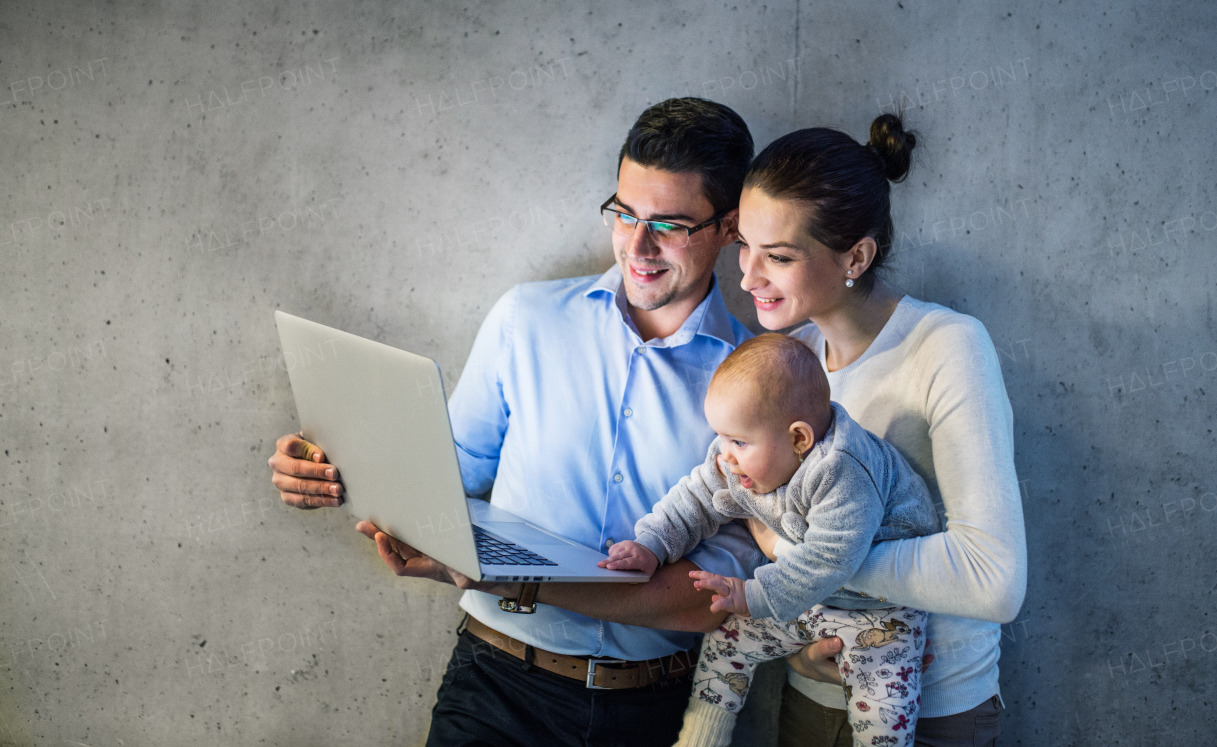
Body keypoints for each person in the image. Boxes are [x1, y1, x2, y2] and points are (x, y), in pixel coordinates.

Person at [267, 97, 781, 747]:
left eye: (670, 224)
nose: (638, 246)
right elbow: (444, 482)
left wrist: (515, 579)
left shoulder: (762, 383)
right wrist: (330, 466)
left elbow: (709, 598)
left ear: (730, 227)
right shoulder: (526, 320)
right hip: (494, 690)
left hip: (657, 713)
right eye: (623, 214)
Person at [734, 116, 1027, 746]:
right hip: (811, 698)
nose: (747, 277)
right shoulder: (790, 361)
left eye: (779, 256)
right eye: (744, 246)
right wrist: (798, 649)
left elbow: (992, 578)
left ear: (856, 256)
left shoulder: (946, 347)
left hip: (931, 710)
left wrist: (793, 559)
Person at [600, 333, 940, 747]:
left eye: (739, 442)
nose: (725, 455)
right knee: (726, 641)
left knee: (885, 720)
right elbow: (695, 498)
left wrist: (751, 595)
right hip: (803, 600)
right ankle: (701, 737)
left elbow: (830, 558)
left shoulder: (842, 470)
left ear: (799, 439)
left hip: (881, 614)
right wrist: (652, 545)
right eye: (722, 438)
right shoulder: (738, 462)